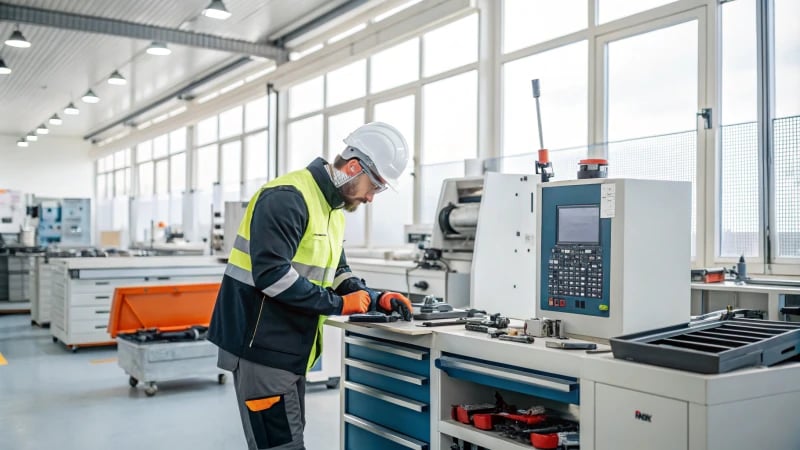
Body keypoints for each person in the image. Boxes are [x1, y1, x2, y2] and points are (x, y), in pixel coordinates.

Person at [208, 121, 415, 450]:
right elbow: (272, 275)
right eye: (374, 186)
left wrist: (376, 299)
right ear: (352, 167)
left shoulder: (332, 208)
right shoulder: (288, 198)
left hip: (287, 346)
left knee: (288, 436)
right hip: (259, 345)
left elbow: (337, 272)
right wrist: (338, 305)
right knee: (281, 445)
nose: (372, 198)